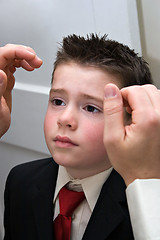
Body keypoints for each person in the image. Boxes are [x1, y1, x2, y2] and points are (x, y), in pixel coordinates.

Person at [1, 35, 160, 240]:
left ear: (130, 122)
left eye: (91, 108)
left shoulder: (147, 202)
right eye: (58, 102)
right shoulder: (20, 180)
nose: (65, 119)